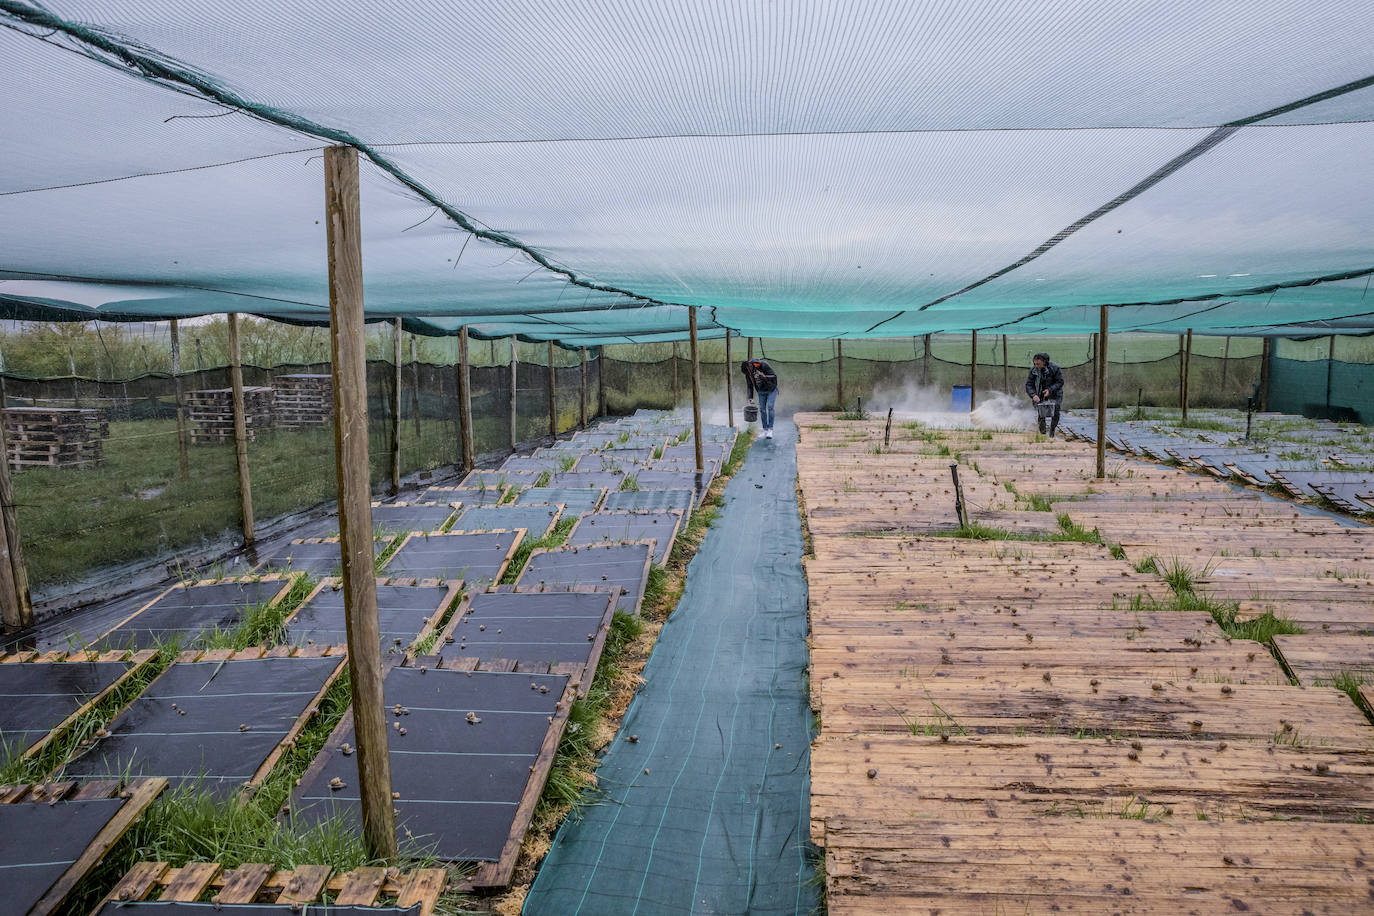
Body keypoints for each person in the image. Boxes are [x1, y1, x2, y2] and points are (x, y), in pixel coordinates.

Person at [1025, 352, 1064, 436]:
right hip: (1039, 394)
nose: (1036, 366)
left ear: (1044, 362)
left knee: (1055, 411)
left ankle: (1052, 431)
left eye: (1038, 364)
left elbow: (1060, 382)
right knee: (1041, 413)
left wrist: (1050, 390)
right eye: (1035, 364)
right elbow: (1029, 385)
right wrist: (1033, 395)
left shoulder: (1054, 368)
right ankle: (1043, 434)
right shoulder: (1033, 371)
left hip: (1055, 393)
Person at [741, 357, 779, 438]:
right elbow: (749, 386)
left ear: (750, 365)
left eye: (749, 369)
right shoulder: (748, 374)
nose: (749, 372)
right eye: (747, 372)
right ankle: (765, 430)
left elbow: (774, 376)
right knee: (762, 409)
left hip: (771, 389)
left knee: (770, 407)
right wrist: (750, 397)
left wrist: (764, 376)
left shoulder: (762, 364)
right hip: (761, 391)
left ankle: (770, 430)